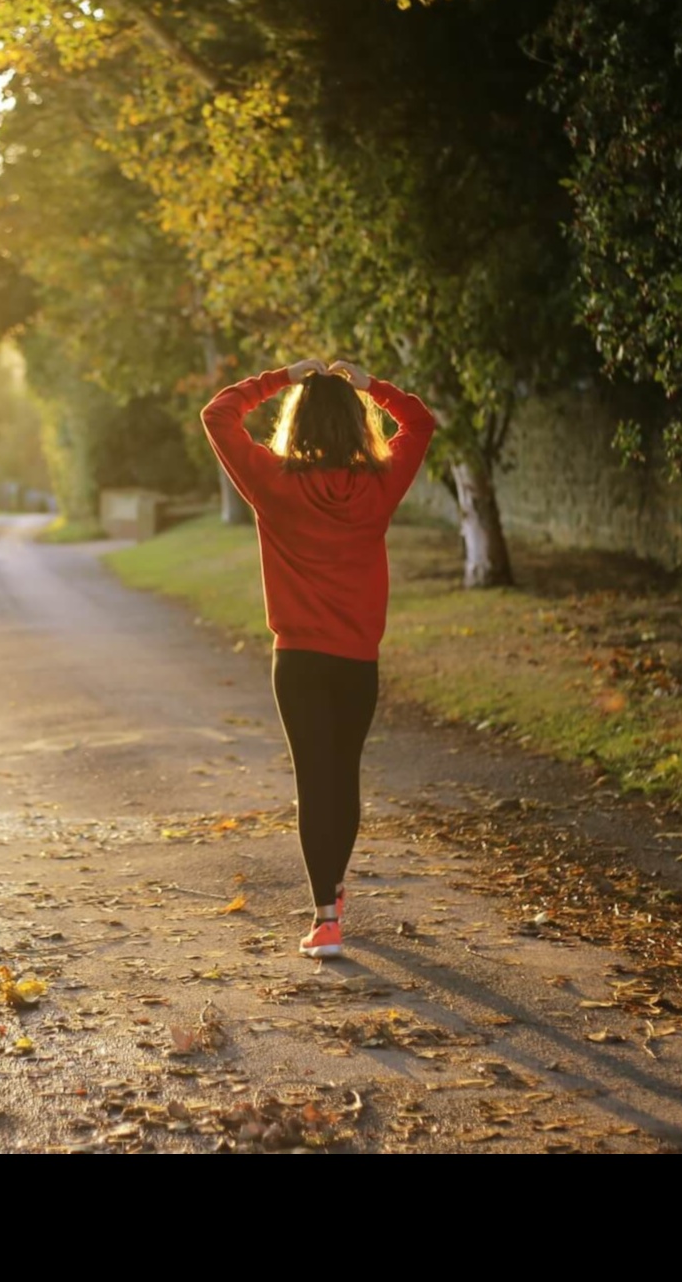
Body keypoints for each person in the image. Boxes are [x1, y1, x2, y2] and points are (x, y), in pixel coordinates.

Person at [201, 358, 436, 959]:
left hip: (298, 661)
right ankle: (332, 893)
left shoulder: (273, 481)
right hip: (357, 661)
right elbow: (420, 421)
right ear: (358, 425)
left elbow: (218, 413)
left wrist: (282, 377)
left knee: (314, 780)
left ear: (296, 423)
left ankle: (325, 918)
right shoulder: (380, 484)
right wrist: (371, 386)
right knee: (344, 777)